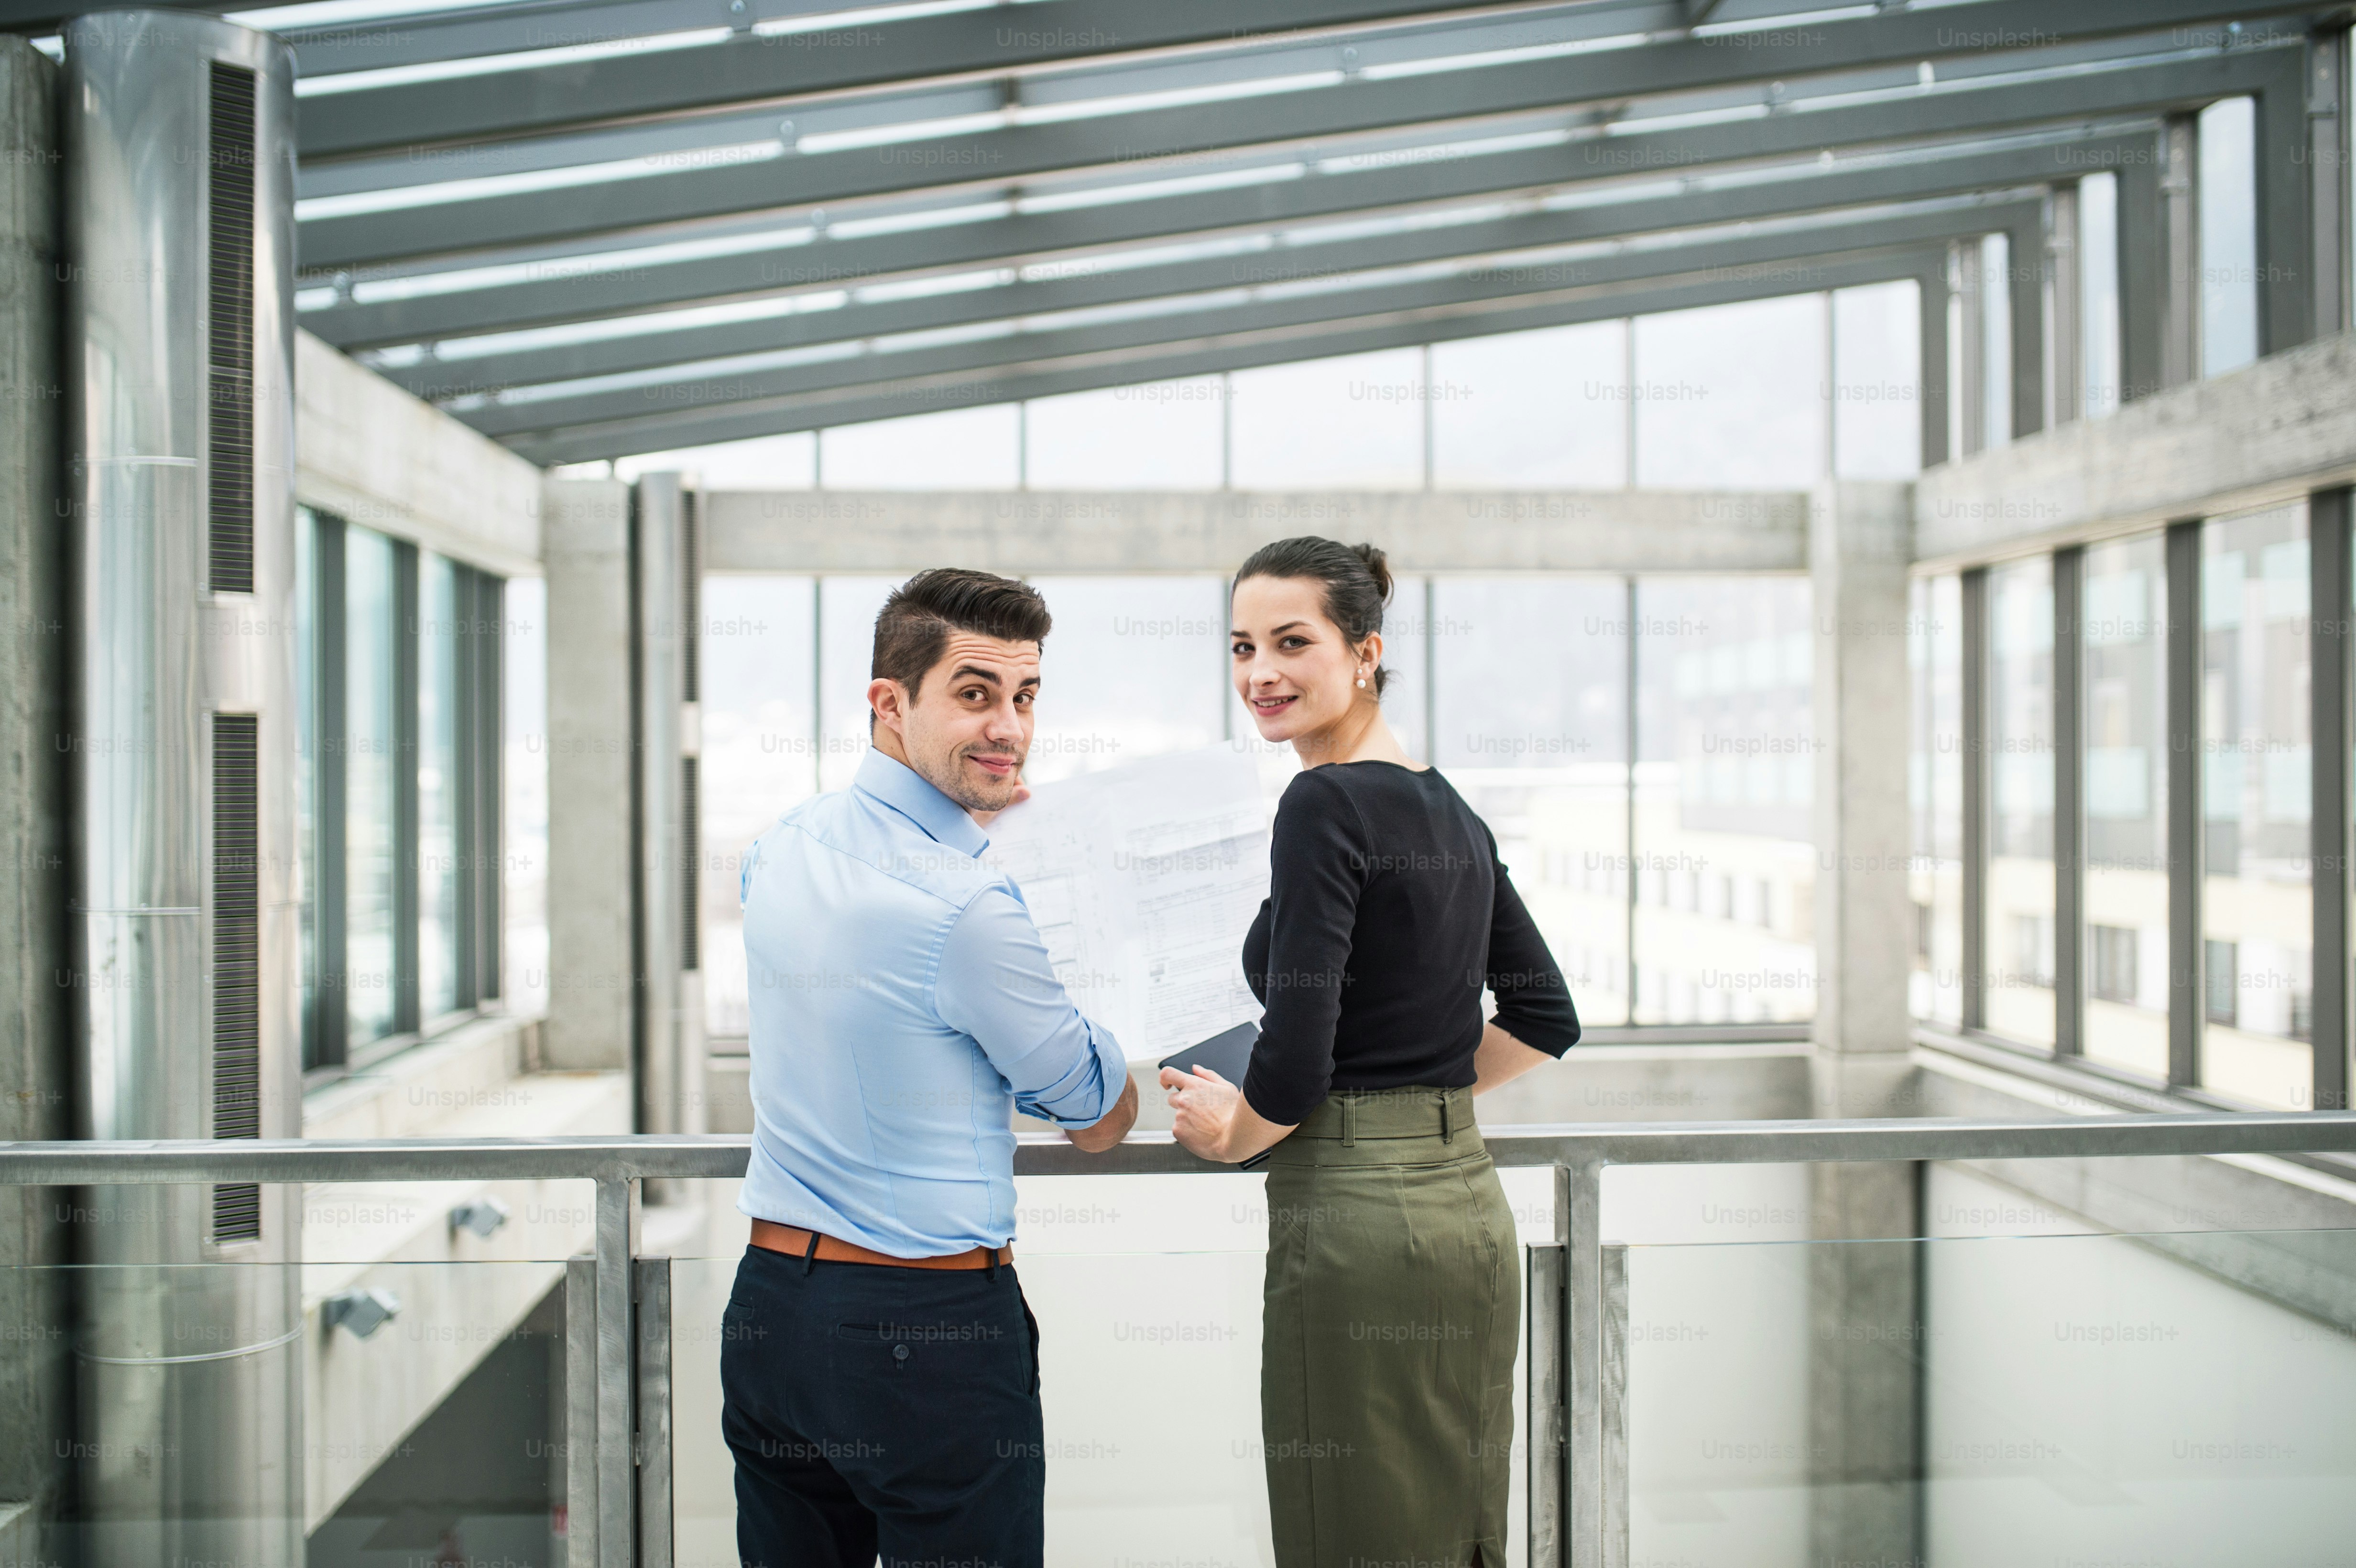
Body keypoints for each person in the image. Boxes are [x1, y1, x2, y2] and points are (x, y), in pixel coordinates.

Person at [1160, 536, 1581, 1568]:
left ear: (1364, 651)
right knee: (1457, 1530)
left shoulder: (1323, 801)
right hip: (1466, 1212)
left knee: (1351, 1531)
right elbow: (1543, 1014)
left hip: (1355, 1225)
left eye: (1292, 641)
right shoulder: (1448, 805)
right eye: (1242, 644)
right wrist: (1414, 1096)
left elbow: (1299, 1048)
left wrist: (1236, 1130)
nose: (1260, 671)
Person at [723, 567, 1140, 1568]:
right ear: (889, 701)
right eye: (973, 693)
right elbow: (1097, 1112)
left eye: (1024, 695)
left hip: (772, 1314)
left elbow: (886, 1008)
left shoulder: (782, 845)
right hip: (924, 1334)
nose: (1008, 727)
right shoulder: (969, 906)